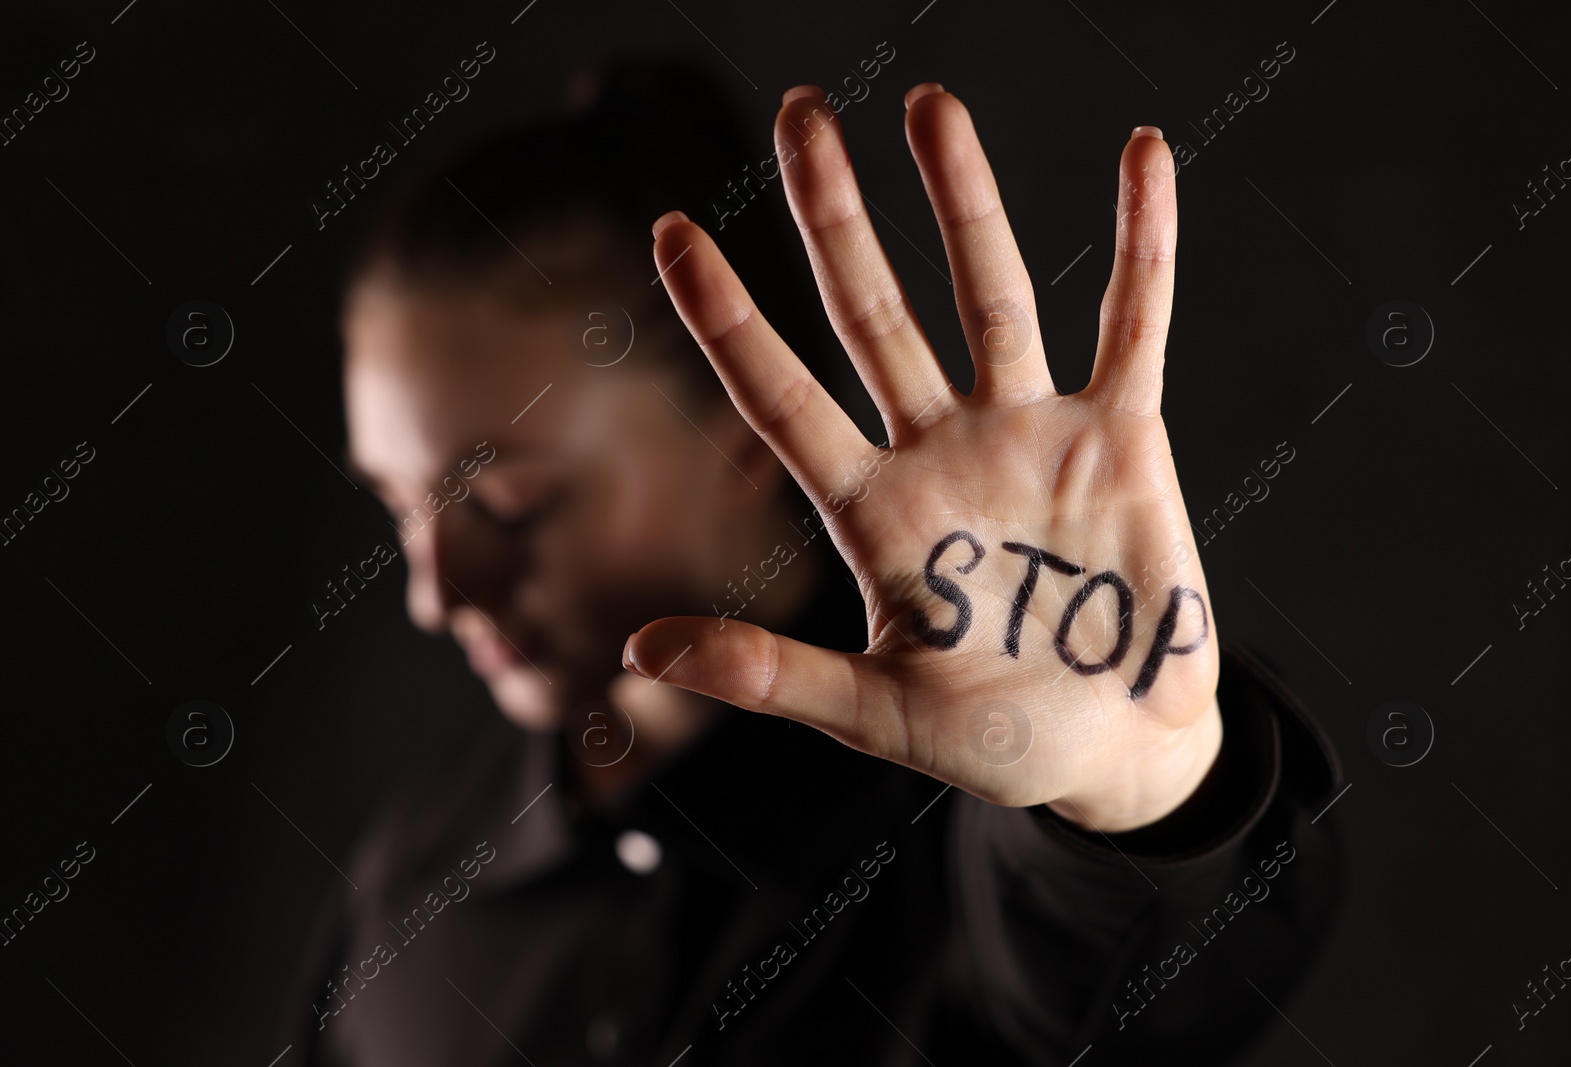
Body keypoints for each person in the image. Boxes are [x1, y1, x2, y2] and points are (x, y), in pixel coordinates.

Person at [277, 58, 1344, 1066]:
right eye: (399, 503)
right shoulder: (408, 873)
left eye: (508, 501)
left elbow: (1134, 982)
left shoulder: (957, 841)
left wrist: (1140, 793)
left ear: (743, 437)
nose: (434, 592)